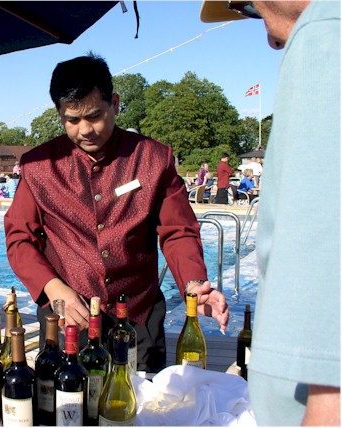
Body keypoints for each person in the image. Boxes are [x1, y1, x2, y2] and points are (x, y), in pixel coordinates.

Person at [4, 53, 229, 373]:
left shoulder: (154, 158)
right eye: (72, 120)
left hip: (140, 319)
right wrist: (53, 288)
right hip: (69, 317)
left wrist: (194, 284)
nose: (85, 130)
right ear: (59, 113)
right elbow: (20, 238)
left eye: (95, 116)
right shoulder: (38, 166)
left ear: (115, 104)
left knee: (143, 401)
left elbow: (178, 230)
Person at [201, 1, 339, 425]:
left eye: (247, 7)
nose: (271, 40)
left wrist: (326, 406)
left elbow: (326, 245)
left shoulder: (325, 33)